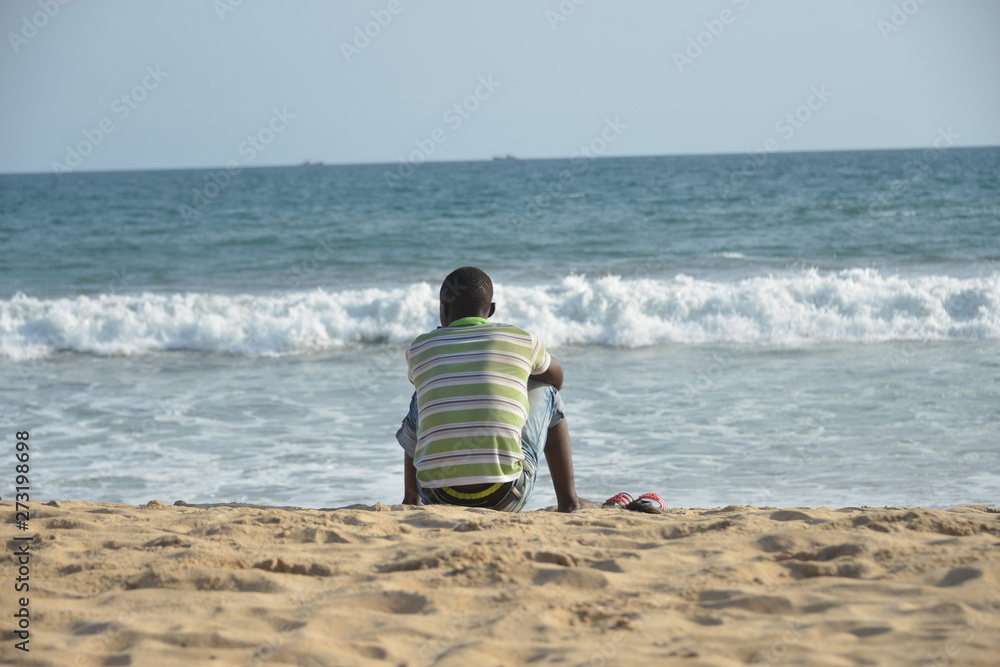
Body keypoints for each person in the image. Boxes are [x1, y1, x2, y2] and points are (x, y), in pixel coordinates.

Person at [395, 267, 581, 512]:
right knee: (548, 392)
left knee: (420, 397)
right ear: (491, 310)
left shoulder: (420, 347)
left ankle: (411, 498)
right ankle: (569, 502)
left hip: (435, 496)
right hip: (506, 495)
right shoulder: (522, 338)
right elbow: (557, 377)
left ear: (443, 308)